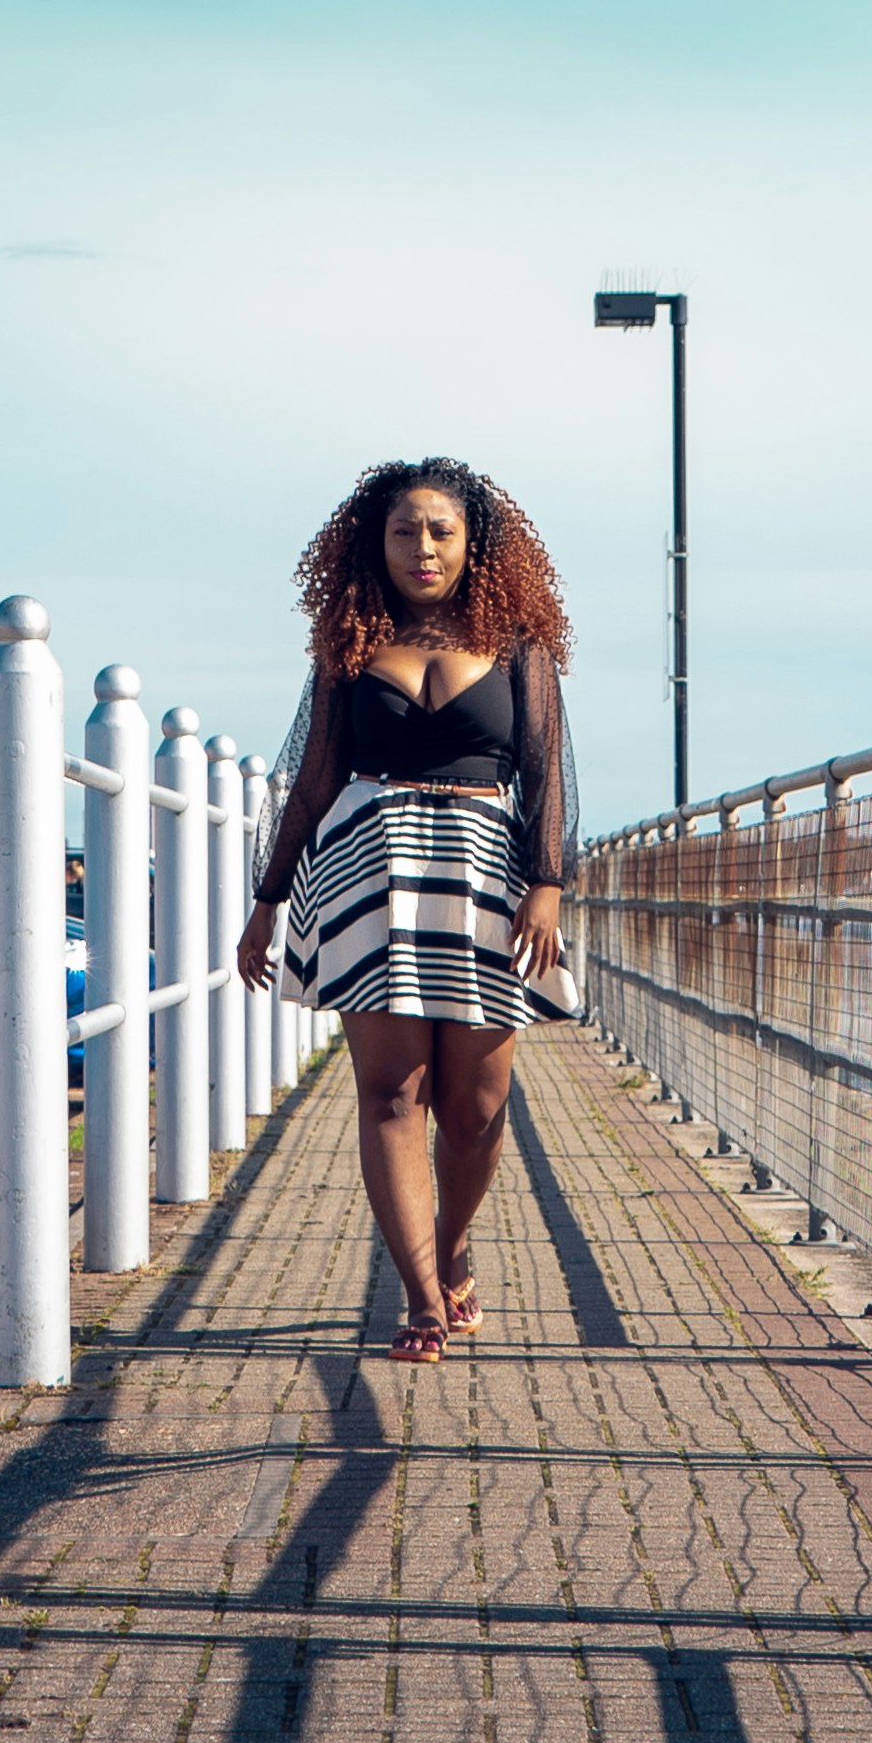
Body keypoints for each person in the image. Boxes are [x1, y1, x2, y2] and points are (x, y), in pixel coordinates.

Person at [236, 457, 576, 1366]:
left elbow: (543, 768)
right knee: (391, 1093)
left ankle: (452, 1243)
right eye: (402, 531)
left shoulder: (515, 639)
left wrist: (546, 880)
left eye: (439, 531)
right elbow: (311, 780)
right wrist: (266, 902)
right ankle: (421, 1297)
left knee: (473, 1105)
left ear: (473, 544)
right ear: (373, 541)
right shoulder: (347, 642)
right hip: (364, 873)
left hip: (482, 872)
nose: (421, 548)